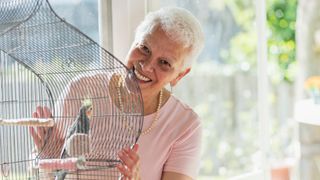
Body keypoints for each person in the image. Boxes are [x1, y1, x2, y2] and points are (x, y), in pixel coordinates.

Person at [30, 7, 204, 180]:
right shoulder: (81, 90)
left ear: (179, 75)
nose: (147, 65)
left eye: (164, 62)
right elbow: (45, 172)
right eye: (144, 48)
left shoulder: (185, 126)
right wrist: (47, 160)